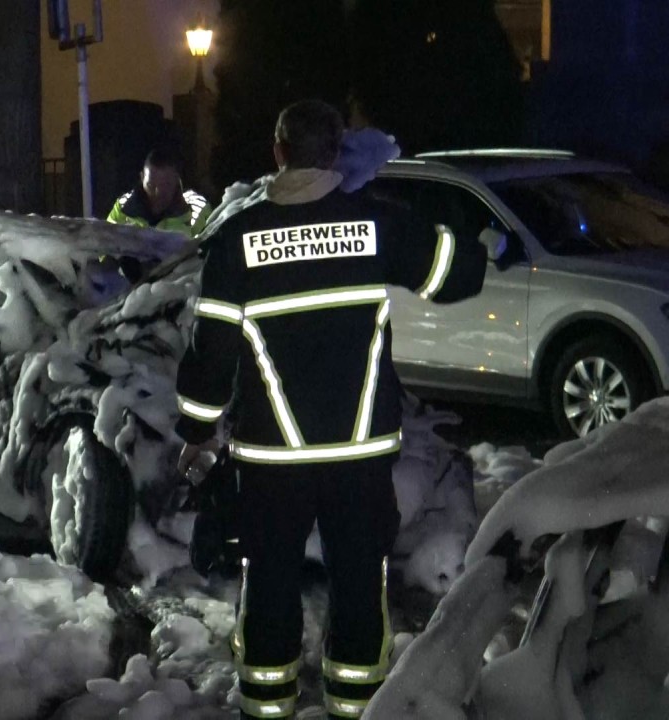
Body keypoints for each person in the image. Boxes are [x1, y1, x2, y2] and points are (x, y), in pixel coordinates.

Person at [173, 100, 490, 719]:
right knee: (358, 587)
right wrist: (483, 247)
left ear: (278, 151)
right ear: (335, 152)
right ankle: (357, 705)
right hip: (359, 456)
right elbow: (452, 273)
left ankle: (267, 707)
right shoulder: (372, 223)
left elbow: (211, 355)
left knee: (267, 584)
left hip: (273, 461)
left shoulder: (238, 239)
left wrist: (197, 429)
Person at [107, 148, 213, 237]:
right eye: (151, 185)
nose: (158, 193)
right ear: (142, 177)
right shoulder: (123, 207)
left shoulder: (197, 209)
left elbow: (206, 254)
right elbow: (103, 248)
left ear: (177, 180)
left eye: (166, 185)